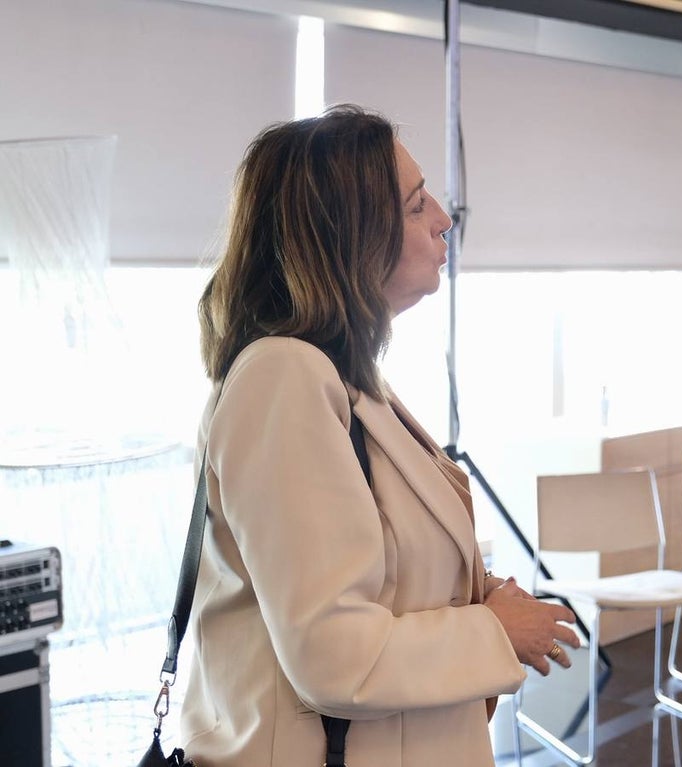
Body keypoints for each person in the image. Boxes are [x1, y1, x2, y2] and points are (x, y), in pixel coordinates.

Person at [181, 104, 579, 767]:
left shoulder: (343, 376)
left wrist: (474, 592)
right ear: (349, 235)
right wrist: (494, 629)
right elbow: (334, 655)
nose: (444, 220)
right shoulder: (284, 377)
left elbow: (376, 577)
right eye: (417, 205)